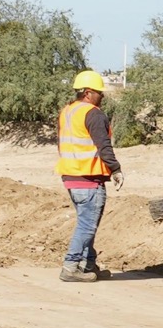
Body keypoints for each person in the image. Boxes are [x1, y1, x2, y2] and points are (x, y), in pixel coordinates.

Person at [57, 69, 121, 282]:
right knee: (87, 225)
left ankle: (87, 265)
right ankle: (71, 266)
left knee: (87, 222)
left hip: (71, 177)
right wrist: (115, 169)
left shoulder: (67, 111)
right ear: (87, 92)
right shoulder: (93, 113)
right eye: (99, 92)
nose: (102, 96)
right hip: (89, 178)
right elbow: (103, 145)